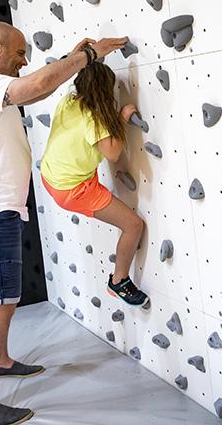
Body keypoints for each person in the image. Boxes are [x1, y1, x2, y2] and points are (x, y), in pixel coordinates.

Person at [0, 21, 126, 425]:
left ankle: (0, 360)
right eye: (18, 53)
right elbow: (36, 85)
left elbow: (42, 88)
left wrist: (72, 57)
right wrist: (89, 56)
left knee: (6, 300)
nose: (24, 60)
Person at [38, 60, 149, 307]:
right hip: (73, 189)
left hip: (50, 176)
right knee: (133, 225)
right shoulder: (95, 118)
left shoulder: (68, 102)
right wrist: (121, 118)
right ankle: (119, 281)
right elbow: (112, 153)